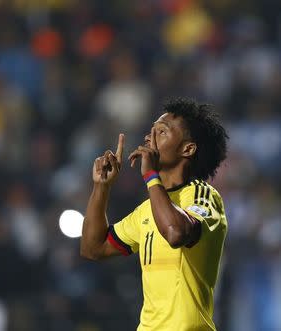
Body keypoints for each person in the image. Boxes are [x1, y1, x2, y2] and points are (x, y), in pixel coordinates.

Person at [81, 98, 229, 330]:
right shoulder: (147, 210)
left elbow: (175, 232)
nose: (149, 138)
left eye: (161, 131)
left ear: (187, 149)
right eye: (150, 131)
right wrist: (102, 187)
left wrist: (151, 175)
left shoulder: (203, 196)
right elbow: (93, 248)